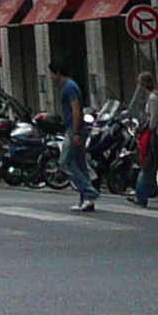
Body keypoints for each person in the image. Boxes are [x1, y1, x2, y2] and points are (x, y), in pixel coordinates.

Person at [128, 72, 158, 209]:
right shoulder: (156, 96)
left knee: (148, 164)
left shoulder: (153, 98)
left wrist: (147, 130)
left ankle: (141, 196)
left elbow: (153, 119)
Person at [52, 67, 95, 213]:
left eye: (52, 74)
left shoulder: (69, 87)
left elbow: (76, 109)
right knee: (80, 164)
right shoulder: (71, 86)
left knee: (66, 163)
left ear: (57, 73)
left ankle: (89, 192)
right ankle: (86, 200)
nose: (52, 77)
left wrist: (75, 132)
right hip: (75, 129)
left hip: (74, 129)